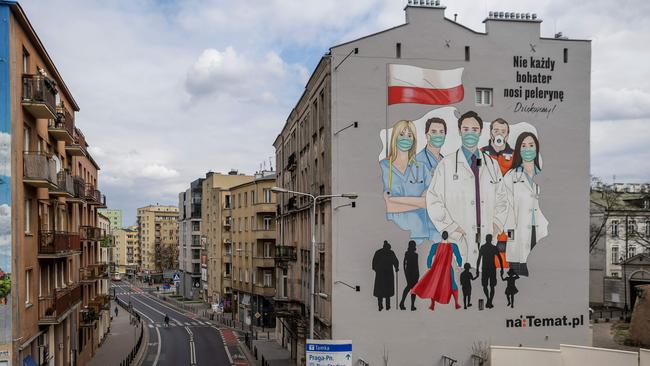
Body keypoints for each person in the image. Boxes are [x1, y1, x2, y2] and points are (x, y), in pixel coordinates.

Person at [426, 111, 509, 266]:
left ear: (480, 132)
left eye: (474, 129)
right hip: (459, 237)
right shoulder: (447, 165)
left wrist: (496, 225)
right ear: (459, 131)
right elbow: (433, 199)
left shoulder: (491, 165)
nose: (470, 133)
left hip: (486, 237)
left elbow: (502, 199)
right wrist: (452, 228)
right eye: (466, 129)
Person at [503, 132, 548, 276]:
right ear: (518, 150)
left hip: (541, 233)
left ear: (537, 149)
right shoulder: (510, 177)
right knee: (520, 281)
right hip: (518, 236)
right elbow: (505, 207)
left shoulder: (544, 176)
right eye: (523, 146)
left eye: (531, 145)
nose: (528, 149)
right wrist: (511, 236)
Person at [380, 120, 431, 243]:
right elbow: (384, 207)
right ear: (394, 137)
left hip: (419, 235)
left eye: (410, 136)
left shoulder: (422, 168)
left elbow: (428, 203)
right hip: (391, 234)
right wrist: (417, 202)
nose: (405, 139)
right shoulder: (382, 167)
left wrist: (393, 200)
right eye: (401, 134)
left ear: (414, 140)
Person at [411, 231, 462, 311]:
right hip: (442, 268)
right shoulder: (451, 246)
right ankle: (437, 304)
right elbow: (458, 256)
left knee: (442, 284)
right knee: (442, 284)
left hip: (442, 268)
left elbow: (430, 256)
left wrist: (429, 266)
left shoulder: (439, 246)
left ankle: (453, 303)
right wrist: (459, 265)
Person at [476, 234, 504, 309]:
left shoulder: (483, 247)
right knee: (491, 286)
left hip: (485, 269)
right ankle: (489, 301)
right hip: (491, 269)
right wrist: (502, 269)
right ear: (491, 239)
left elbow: (479, 259)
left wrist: (477, 270)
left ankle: (489, 300)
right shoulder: (493, 248)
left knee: (486, 285)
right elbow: (500, 259)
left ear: (486, 239)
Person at [372, 241, 399, 311]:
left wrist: (376, 269)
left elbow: (374, 263)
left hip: (382, 274)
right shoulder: (390, 252)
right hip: (386, 274)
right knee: (386, 291)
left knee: (382, 291)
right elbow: (395, 261)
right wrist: (396, 267)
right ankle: (385, 306)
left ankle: (382, 306)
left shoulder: (379, 252)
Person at [399, 240, 420, 311]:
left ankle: (412, 305)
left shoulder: (416, 255)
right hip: (409, 273)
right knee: (409, 287)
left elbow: (417, 266)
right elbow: (404, 264)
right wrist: (406, 273)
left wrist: (417, 274)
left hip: (415, 274)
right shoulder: (407, 253)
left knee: (413, 289)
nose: (413, 246)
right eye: (412, 245)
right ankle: (402, 303)